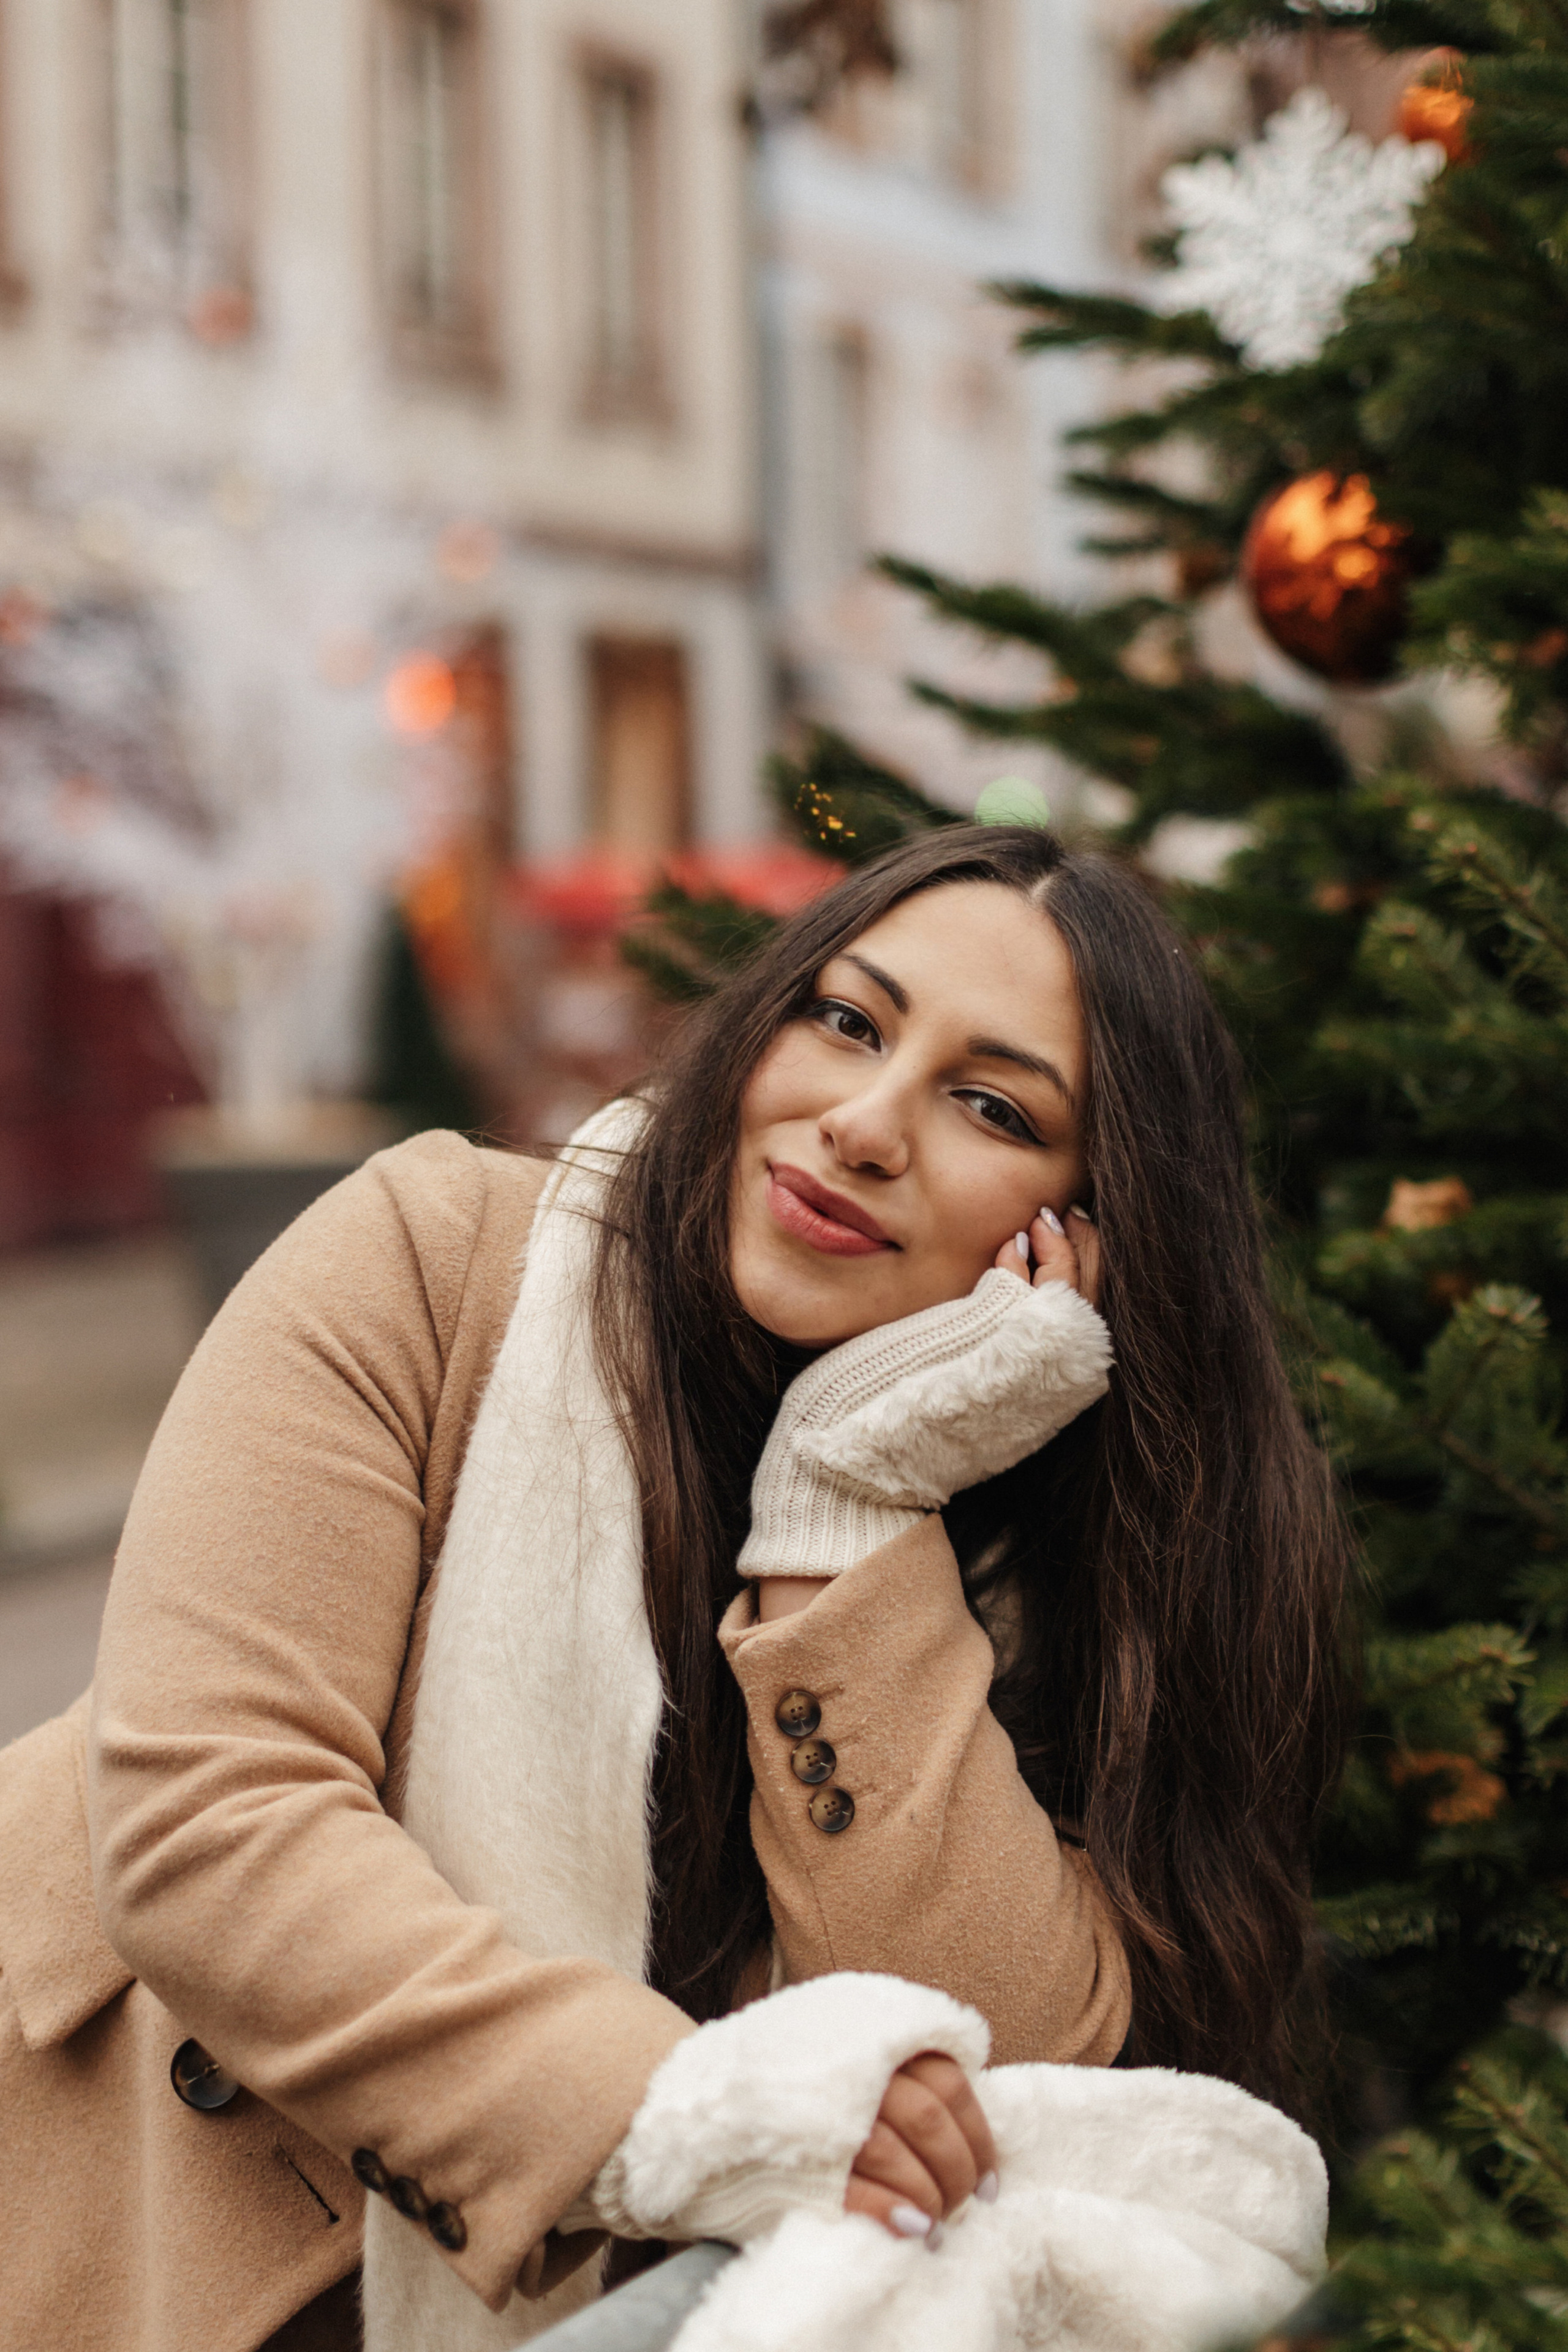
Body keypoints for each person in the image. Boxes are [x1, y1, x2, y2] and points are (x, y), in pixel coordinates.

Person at [0, 825, 1348, 2352]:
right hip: (142, 2223)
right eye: (846, 1020)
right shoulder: (429, 1261)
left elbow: (1014, 2093)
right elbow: (212, 1819)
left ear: (1085, 1231)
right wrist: (679, 2112)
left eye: (988, 1105)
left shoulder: (1054, 1531)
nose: (861, 1123)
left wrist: (853, 1512)